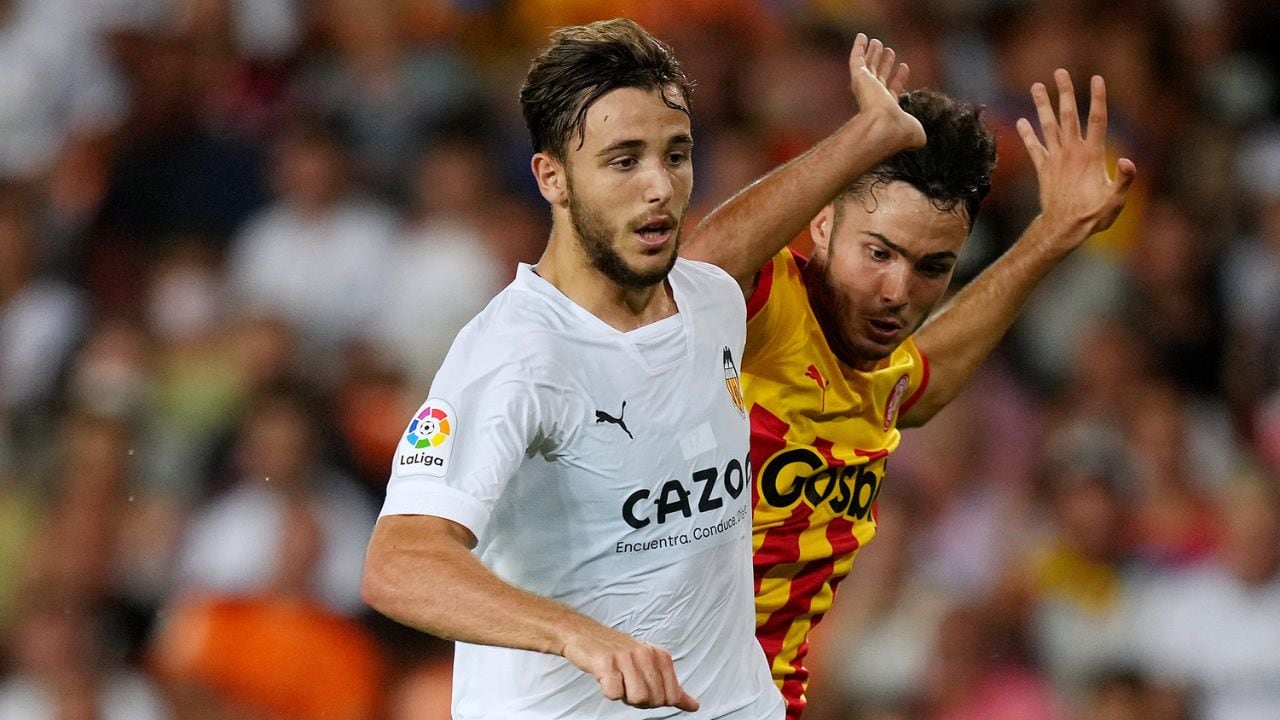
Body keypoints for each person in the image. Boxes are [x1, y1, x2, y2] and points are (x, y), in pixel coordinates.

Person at [360, 19, 925, 719]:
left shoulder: (711, 300)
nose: (659, 186)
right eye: (624, 161)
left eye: (677, 154)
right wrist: (578, 637)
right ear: (552, 178)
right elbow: (398, 563)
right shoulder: (516, 358)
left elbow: (732, 240)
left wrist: (868, 136)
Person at [682, 37, 1137, 719]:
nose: (899, 290)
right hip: (643, 686)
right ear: (824, 225)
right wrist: (864, 137)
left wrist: (1055, 231)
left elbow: (927, 378)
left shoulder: (880, 373)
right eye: (879, 252)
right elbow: (703, 264)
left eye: (931, 267)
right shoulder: (763, 310)